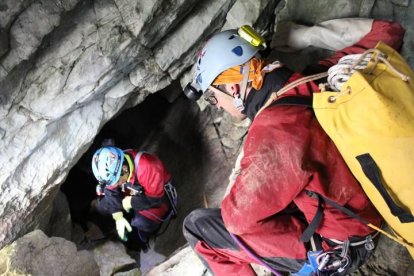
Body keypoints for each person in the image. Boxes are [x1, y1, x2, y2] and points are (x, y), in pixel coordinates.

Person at [182, 19, 405, 275]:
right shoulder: (317, 74)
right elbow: (389, 31)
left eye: (213, 97)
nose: (217, 105)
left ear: (233, 88)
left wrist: (246, 169)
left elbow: (236, 218)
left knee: (199, 227)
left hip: (340, 247)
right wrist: (305, 35)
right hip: (361, 205)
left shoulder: (274, 130)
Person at [91, 145, 177, 246]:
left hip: (158, 194)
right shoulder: (116, 170)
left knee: (141, 222)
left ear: (124, 167)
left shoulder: (148, 167)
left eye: (117, 180)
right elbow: (111, 191)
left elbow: (155, 200)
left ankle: (141, 239)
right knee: (103, 205)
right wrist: (118, 216)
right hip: (134, 188)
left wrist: (131, 202)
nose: (116, 184)